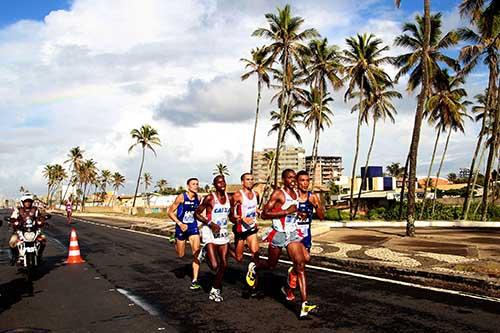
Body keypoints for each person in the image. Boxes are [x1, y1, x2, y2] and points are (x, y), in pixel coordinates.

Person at [248, 169, 317, 318]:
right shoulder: (278, 194)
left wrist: (299, 213)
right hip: (278, 234)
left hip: (292, 234)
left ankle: (304, 304)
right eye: (290, 178)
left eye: (294, 178)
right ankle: (255, 266)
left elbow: (294, 210)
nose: (293, 180)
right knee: (271, 265)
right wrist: (287, 212)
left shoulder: (297, 194)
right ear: (284, 180)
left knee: (300, 265)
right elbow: (265, 214)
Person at [282, 170, 324, 302]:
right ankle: (302, 300)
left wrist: (315, 205)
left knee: (305, 260)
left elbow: (322, 217)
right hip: (293, 235)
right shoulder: (292, 197)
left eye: (307, 181)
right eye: (302, 180)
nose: (305, 183)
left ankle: (289, 286)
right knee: (300, 266)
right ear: (297, 182)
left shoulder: (313, 196)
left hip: (306, 235)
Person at [195, 175, 230, 302]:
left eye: (223, 182)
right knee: (215, 266)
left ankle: (215, 290)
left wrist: (238, 220)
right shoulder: (210, 198)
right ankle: (205, 251)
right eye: (219, 182)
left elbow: (230, 215)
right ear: (215, 185)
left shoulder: (229, 198)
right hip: (209, 231)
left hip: (223, 232)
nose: (222, 184)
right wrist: (210, 223)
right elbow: (197, 214)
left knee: (224, 265)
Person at [167, 178, 202, 290]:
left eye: (197, 184)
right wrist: (179, 223)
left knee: (196, 252)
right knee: (181, 254)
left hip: (193, 228)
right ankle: (175, 239)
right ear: (188, 186)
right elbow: (170, 212)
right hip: (181, 228)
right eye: (193, 184)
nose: (196, 186)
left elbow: (201, 212)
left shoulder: (199, 198)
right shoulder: (181, 197)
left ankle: (195, 280)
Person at [228, 173, 260, 288]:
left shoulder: (256, 194)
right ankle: (226, 248)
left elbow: (254, 208)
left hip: (251, 229)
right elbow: (231, 215)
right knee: (239, 258)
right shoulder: (237, 195)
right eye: (248, 179)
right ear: (242, 182)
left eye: (252, 179)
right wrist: (240, 219)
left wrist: (258, 212)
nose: (250, 181)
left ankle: (254, 285)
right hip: (240, 230)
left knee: (256, 256)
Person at [9, 194, 46, 265]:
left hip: (33, 230)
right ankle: (14, 257)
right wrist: (12, 221)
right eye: (26, 201)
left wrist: (42, 220)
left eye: (29, 201)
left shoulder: (35, 210)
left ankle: (40, 256)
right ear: (22, 202)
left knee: (43, 240)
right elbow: (13, 217)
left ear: (32, 202)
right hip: (20, 231)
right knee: (12, 242)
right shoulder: (18, 210)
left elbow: (41, 217)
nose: (27, 203)